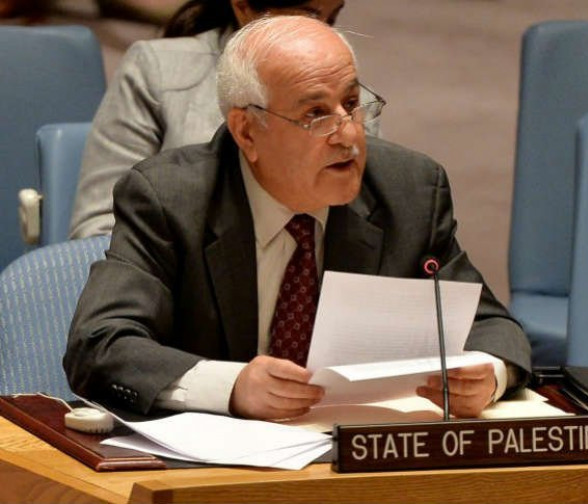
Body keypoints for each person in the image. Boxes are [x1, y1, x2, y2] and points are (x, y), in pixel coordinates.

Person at [64, 15, 531, 421]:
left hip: (356, 454)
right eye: (316, 114)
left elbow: (493, 327)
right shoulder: (171, 199)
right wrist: (232, 386)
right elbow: (100, 345)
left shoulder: (409, 191)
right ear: (247, 131)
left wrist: (487, 374)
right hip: (216, 464)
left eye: (352, 104)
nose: (348, 135)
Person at [69, 0, 348, 239]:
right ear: (243, 8)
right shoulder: (155, 71)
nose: (323, 36)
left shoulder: (348, 102)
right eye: (306, 17)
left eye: (332, 19)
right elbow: (101, 227)